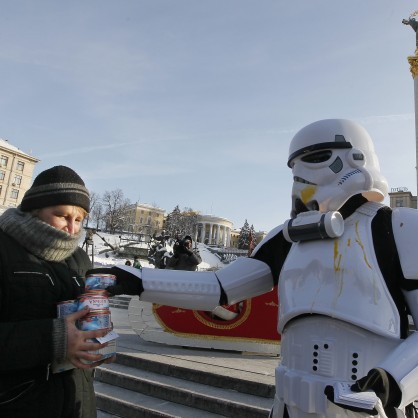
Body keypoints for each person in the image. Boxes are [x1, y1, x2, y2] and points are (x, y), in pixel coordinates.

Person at [91, 119, 418, 417]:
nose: (301, 177)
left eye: (316, 158)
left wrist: (393, 381)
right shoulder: (287, 239)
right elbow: (219, 288)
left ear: (357, 159)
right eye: (295, 166)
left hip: (365, 408)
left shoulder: (399, 229)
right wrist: (137, 278)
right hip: (289, 404)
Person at [0, 165, 112, 418]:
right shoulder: (4, 249)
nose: (72, 228)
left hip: (76, 400)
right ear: (34, 210)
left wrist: (94, 334)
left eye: (79, 219)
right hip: (18, 403)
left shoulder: (79, 258)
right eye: (62, 215)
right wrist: (54, 338)